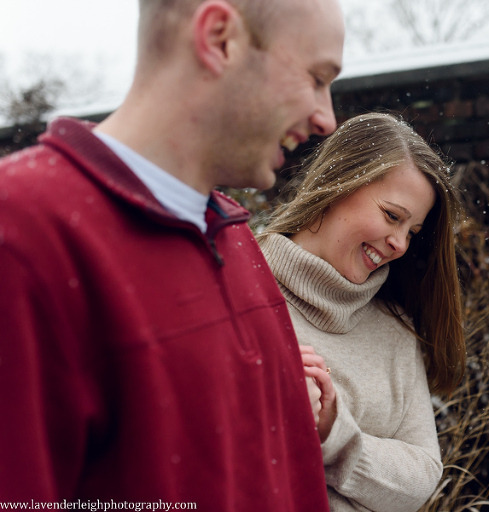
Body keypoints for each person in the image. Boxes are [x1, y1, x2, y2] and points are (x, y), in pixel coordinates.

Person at [0, 0, 344, 509]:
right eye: (316, 77)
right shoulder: (23, 234)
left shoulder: (235, 237)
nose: (327, 119)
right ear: (220, 38)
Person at [257, 112, 467, 512]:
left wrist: (332, 434)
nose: (400, 244)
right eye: (392, 216)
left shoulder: (395, 327)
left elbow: (421, 476)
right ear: (339, 184)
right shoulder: (238, 291)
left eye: (412, 232)